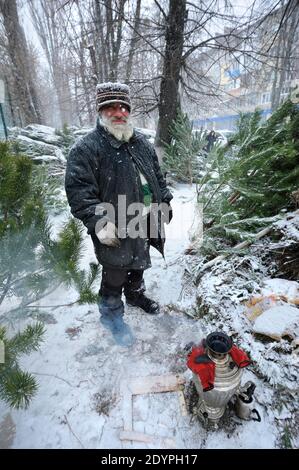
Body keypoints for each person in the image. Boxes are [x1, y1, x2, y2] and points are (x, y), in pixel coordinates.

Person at [65, 82, 173, 346]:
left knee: (139, 263)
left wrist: (165, 200)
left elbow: (157, 177)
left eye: (123, 107)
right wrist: (99, 222)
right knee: (114, 273)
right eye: (111, 107)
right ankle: (111, 317)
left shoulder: (140, 142)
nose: (119, 112)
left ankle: (135, 295)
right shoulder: (87, 148)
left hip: (146, 217)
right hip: (113, 224)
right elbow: (80, 192)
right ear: (101, 111)